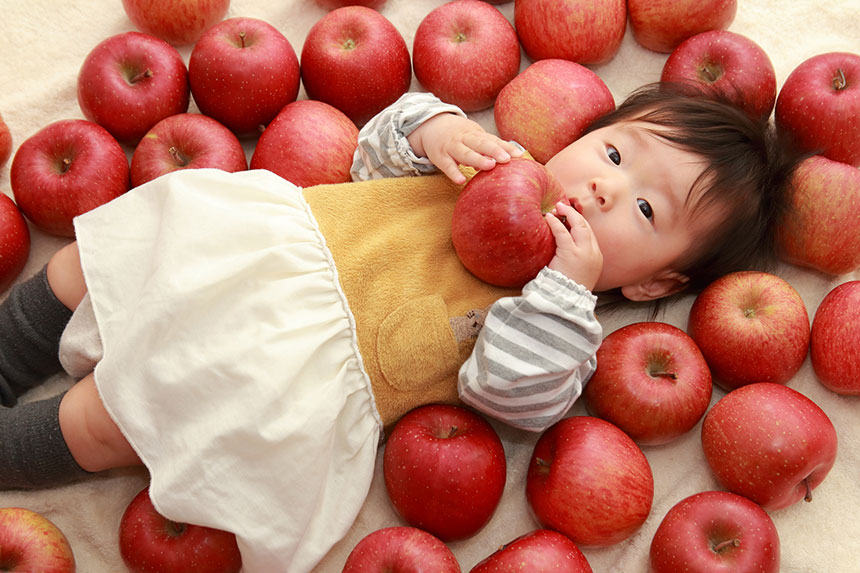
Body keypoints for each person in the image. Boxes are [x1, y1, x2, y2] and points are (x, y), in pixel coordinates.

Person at [0, 84, 799, 571]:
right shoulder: (496, 161)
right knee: (101, 261)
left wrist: (562, 289)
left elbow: (510, 396)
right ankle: (10, 346)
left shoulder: (565, 323)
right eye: (615, 156)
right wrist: (434, 132)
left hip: (288, 366)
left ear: (653, 281)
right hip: (264, 252)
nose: (602, 191)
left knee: (116, 417)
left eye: (647, 210)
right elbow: (370, 160)